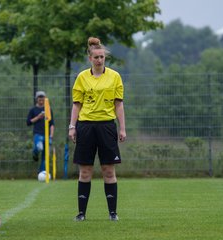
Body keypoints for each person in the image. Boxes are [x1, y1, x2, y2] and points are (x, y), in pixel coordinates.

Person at [68, 37, 126, 221]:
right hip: (85, 127)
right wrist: (72, 126)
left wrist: (122, 128)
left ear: (104, 58)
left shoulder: (115, 76)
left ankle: (113, 213)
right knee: (85, 171)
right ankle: (81, 214)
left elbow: (119, 105)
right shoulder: (82, 78)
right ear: (90, 58)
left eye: (102, 57)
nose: (99, 60)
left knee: (109, 171)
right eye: (96, 57)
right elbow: (76, 105)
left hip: (107, 127)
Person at [26, 91, 54, 173]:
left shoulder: (48, 109)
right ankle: (35, 153)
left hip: (47, 135)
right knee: (39, 147)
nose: (41, 99)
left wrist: (51, 135)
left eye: (42, 97)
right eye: (39, 97)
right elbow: (28, 122)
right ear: (36, 99)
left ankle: (42, 173)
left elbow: (52, 124)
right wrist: (38, 117)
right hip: (37, 134)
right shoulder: (33, 110)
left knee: (45, 156)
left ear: (45, 99)